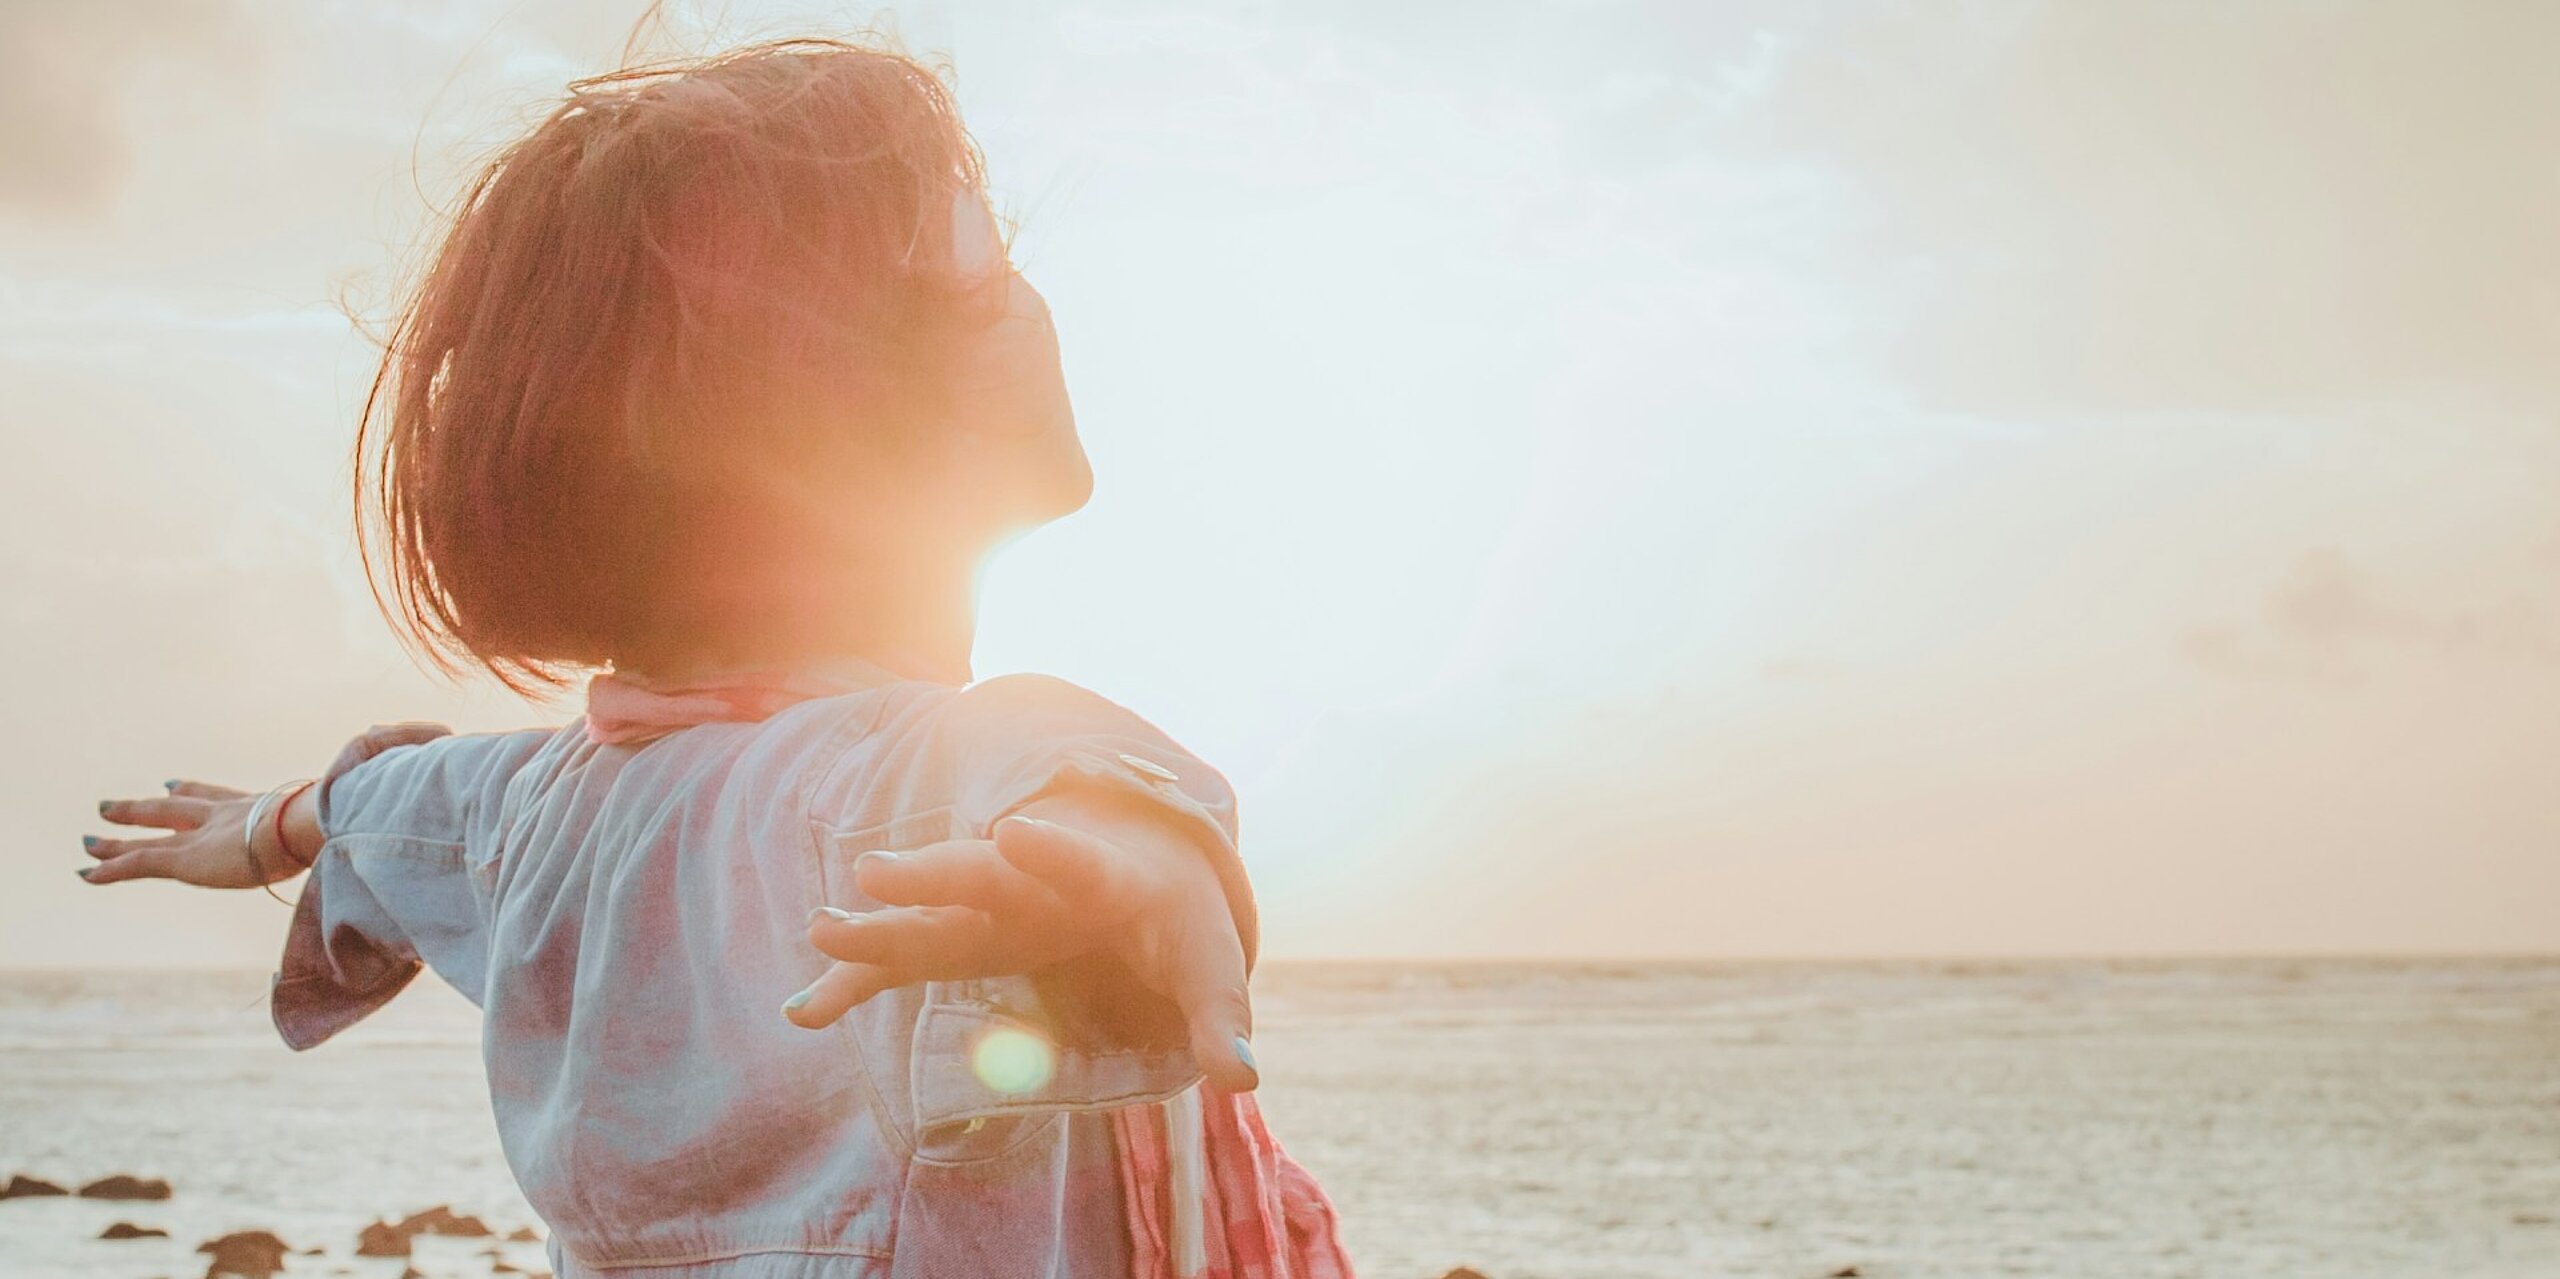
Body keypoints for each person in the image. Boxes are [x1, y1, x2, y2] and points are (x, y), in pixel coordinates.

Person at [78, 37, 1349, 1279]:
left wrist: (267, 825)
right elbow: (1065, 776)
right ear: (828, 409)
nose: (1029, 300)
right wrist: (1128, 869)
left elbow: (387, 810)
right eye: (981, 274)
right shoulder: (915, 776)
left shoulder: (532, 807)